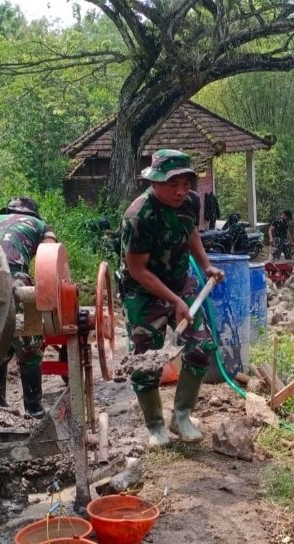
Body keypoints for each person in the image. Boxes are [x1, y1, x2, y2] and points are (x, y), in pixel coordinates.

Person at [120, 149, 225, 447]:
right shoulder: (139, 215)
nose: (180, 191)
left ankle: (181, 417)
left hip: (180, 283)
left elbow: (191, 232)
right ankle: (155, 426)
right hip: (142, 291)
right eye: (172, 184)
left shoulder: (190, 201)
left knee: (201, 347)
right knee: (146, 358)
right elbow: (137, 270)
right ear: (154, 182)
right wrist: (174, 301)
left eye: (186, 183)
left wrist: (205, 265)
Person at [0, 196, 59, 418]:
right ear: (33, 214)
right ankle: (34, 409)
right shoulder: (40, 225)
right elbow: (50, 259)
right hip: (14, 277)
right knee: (29, 342)